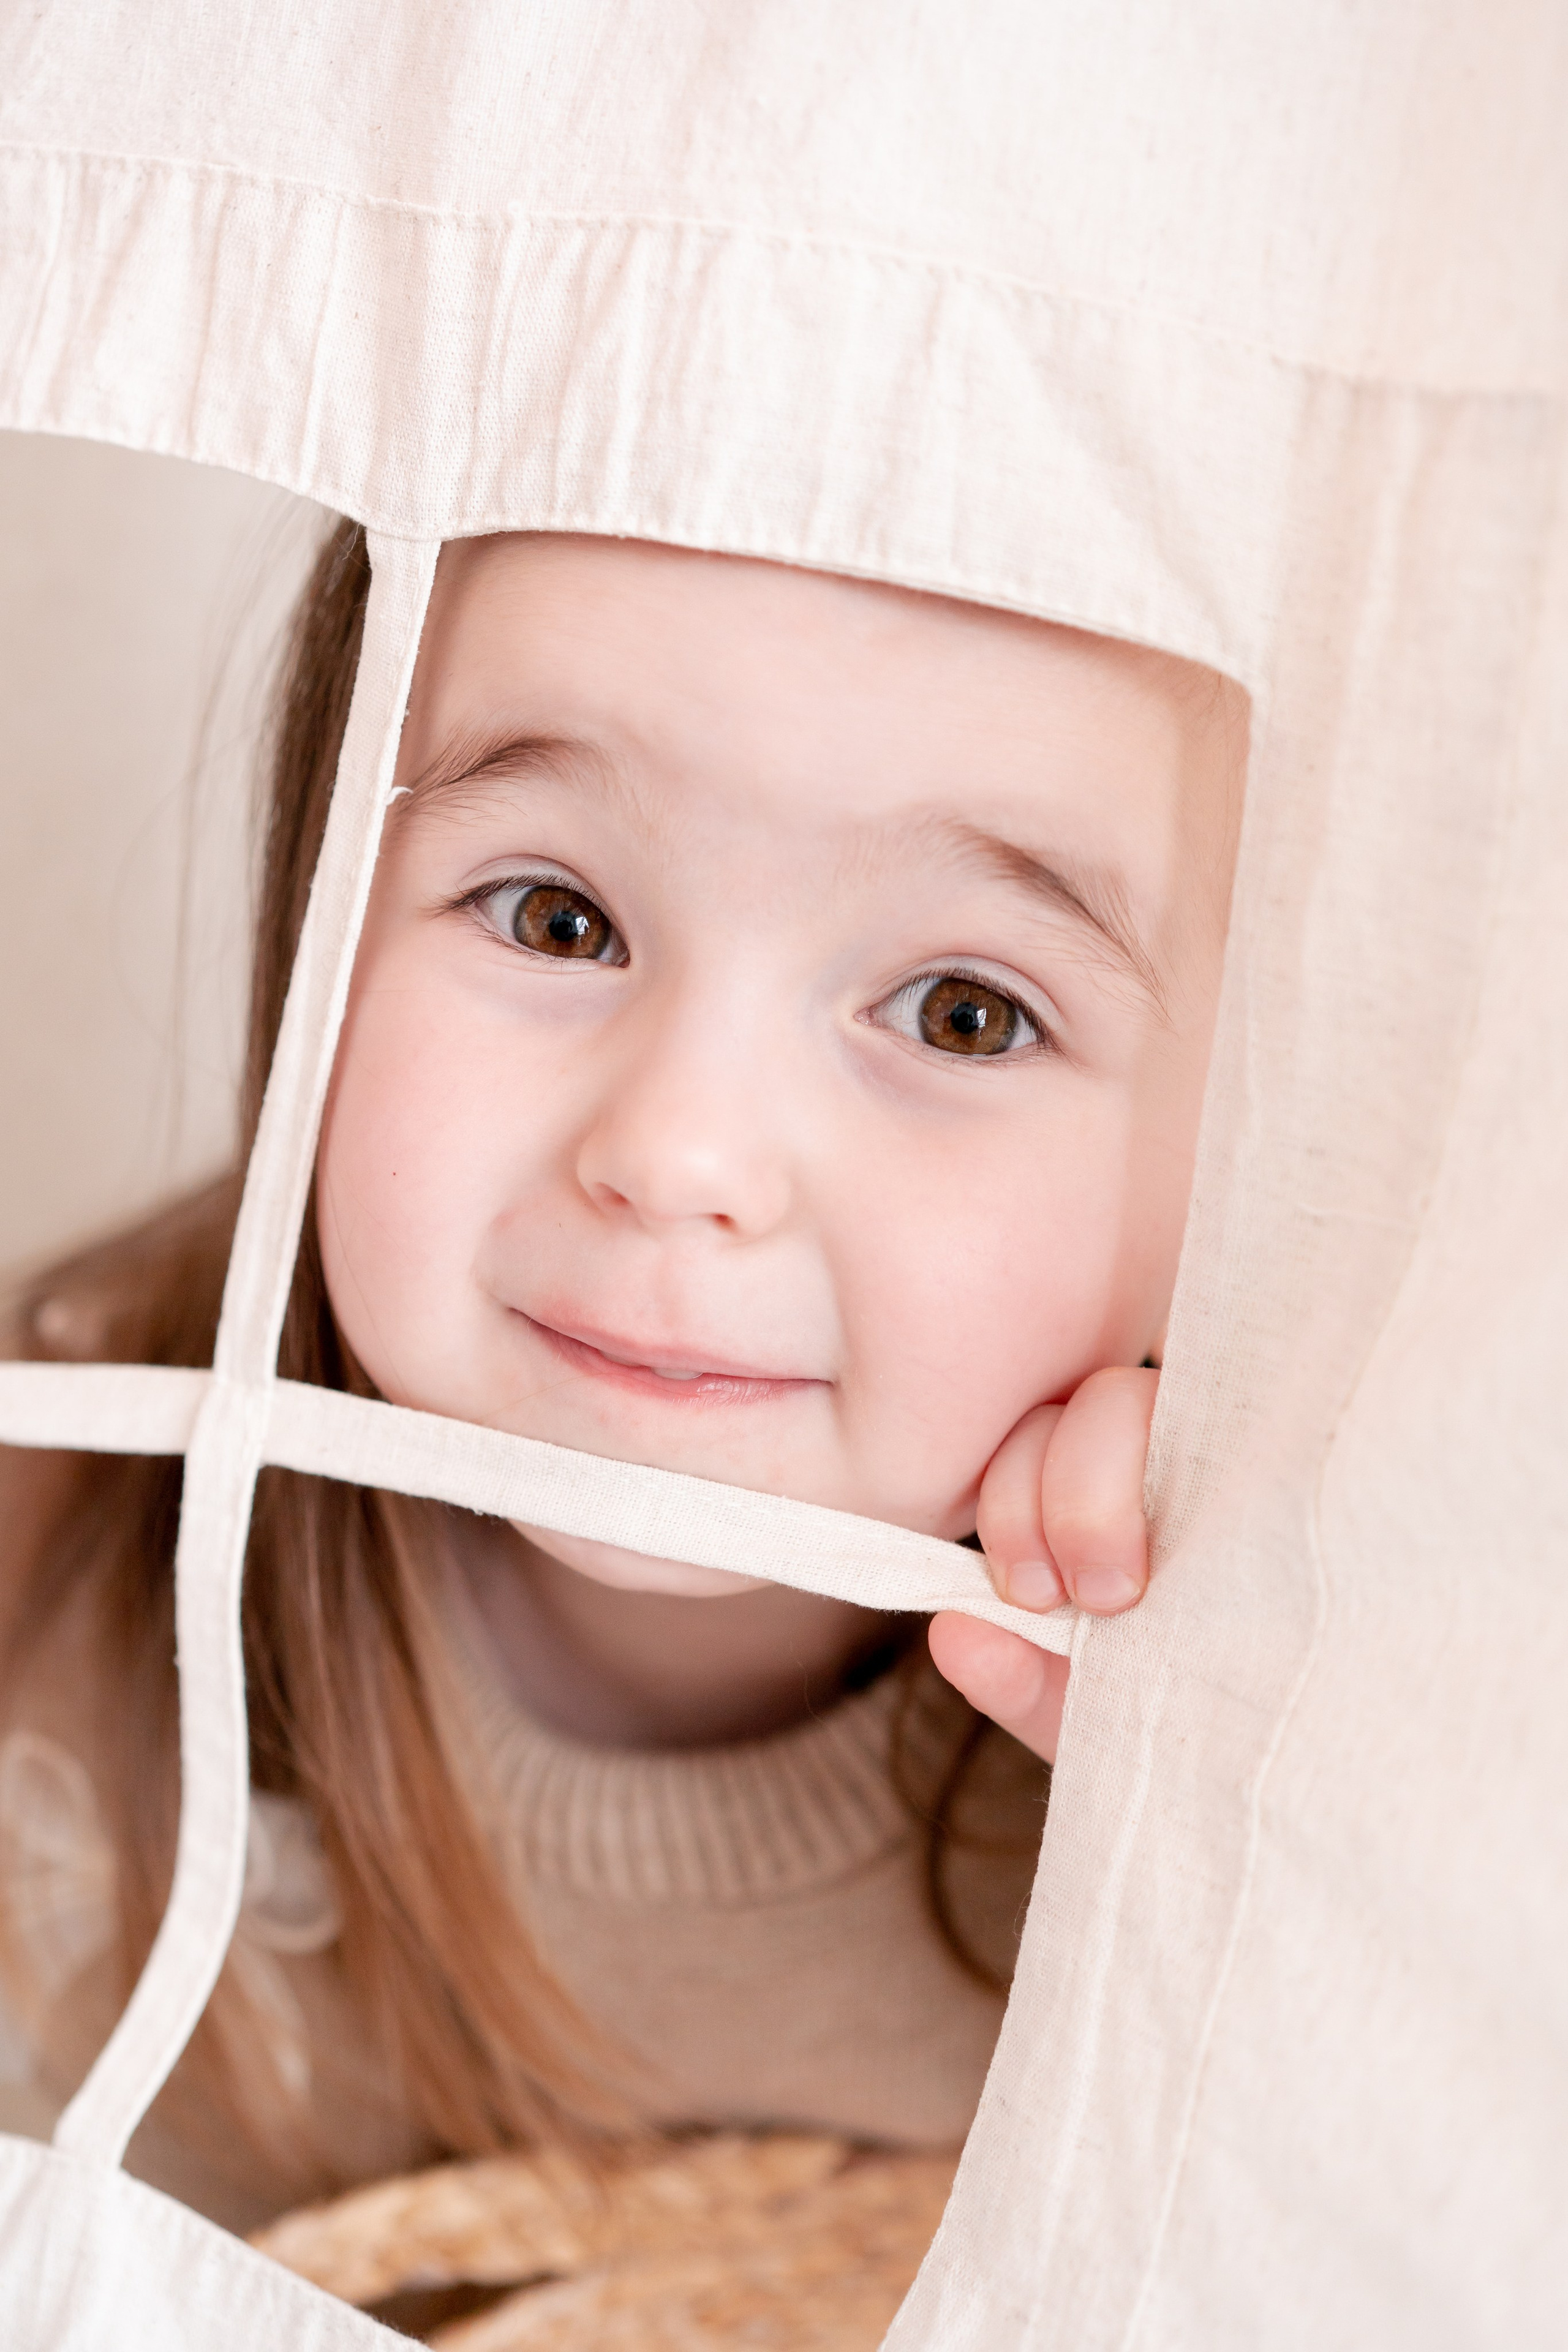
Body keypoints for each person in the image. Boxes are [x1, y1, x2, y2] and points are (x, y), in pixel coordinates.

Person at [0, 520, 1245, 2231]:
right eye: (556, 918)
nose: (678, 1154)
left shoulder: (1245, 1740)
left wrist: (1256, 1792)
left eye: (965, 1012)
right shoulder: (53, 1490)